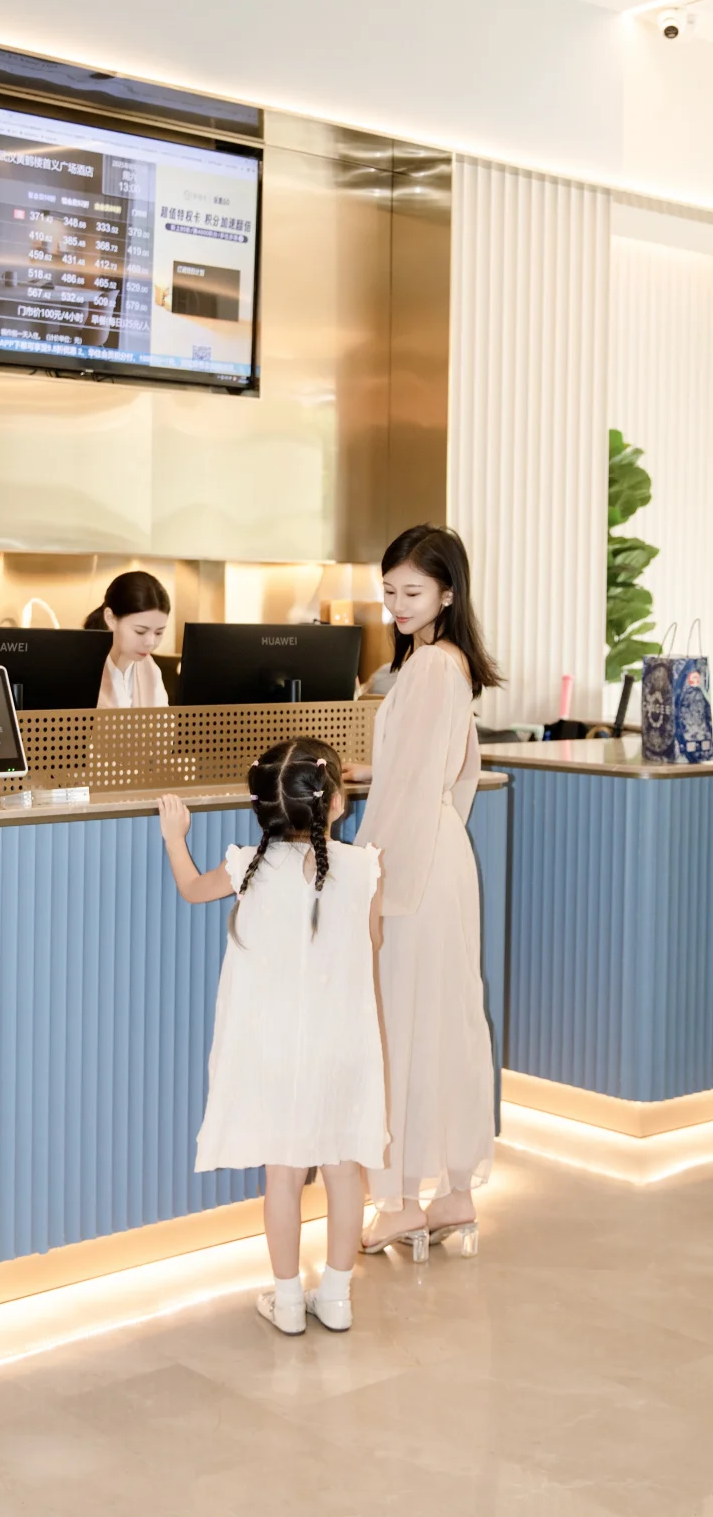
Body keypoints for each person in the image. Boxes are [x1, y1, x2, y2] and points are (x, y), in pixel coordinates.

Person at [158, 739, 385, 1335]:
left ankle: (287, 1302)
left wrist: (175, 838)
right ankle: (336, 1297)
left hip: (275, 1050)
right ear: (336, 803)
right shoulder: (364, 868)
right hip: (342, 1047)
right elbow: (373, 944)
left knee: (282, 1176)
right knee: (343, 1170)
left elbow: (191, 889)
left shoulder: (248, 868)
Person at [346, 524, 501, 1259]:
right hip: (441, 855)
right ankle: (454, 1192)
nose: (397, 605)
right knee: (445, 1020)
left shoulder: (431, 665)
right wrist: (379, 772)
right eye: (389, 592)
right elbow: (437, 770)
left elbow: (412, 789)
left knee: (402, 1024)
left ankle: (403, 1202)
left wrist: (371, 878)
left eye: (412, 592)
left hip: (412, 861)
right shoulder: (447, 663)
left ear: (446, 593)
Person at [85, 571, 171, 708]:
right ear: (111, 618)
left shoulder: (150, 669)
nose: (150, 642)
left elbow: (163, 719)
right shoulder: (83, 669)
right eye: (140, 631)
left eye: (159, 632)